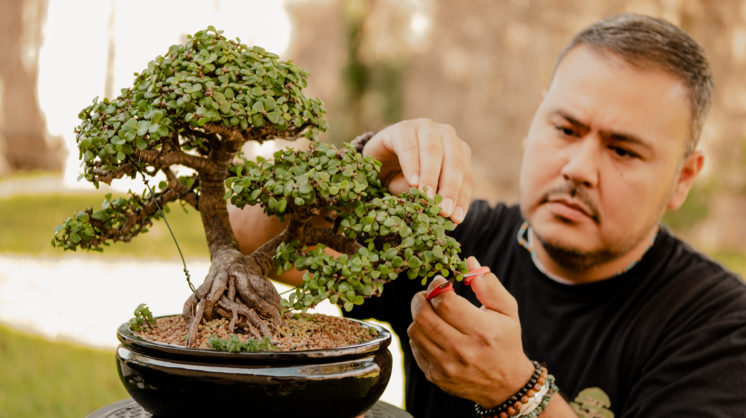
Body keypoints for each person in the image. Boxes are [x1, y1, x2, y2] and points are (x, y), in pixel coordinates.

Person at [230, 13, 746, 417]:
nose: (580, 168)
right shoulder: (448, 241)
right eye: (566, 129)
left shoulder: (720, 325)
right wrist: (358, 170)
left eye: (624, 150)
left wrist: (518, 394)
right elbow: (247, 241)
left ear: (683, 178)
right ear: (535, 120)